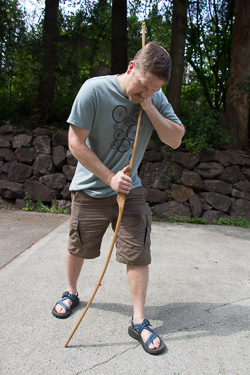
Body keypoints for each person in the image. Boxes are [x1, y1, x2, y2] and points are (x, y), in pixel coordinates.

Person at [52, 42, 185, 355]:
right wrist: (109, 177)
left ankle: (138, 321)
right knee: (79, 245)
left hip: (131, 188)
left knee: (137, 251)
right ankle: (71, 292)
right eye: (143, 84)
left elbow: (176, 139)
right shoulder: (94, 90)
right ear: (130, 68)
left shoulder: (154, 97)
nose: (146, 91)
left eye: (155, 88)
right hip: (92, 187)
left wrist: (150, 105)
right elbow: (75, 142)